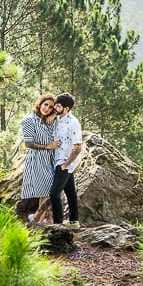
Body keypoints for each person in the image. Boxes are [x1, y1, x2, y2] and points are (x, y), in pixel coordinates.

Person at [19, 93, 60, 222]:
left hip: (51, 159)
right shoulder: (29, 120)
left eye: (50, 107)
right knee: (49, 190)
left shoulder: (50, 121)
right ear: (40, 104)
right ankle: (37, 219)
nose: (46, 108)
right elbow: (28, 143)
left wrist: (53, 117)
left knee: (46, 191)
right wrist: (47, 147)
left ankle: (39, 219)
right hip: (37, 158)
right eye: (45, 104)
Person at [49, 92, 83, 228]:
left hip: (64, 162)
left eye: (57, 106)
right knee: (70, 192)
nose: (54, 108)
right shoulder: (58, 119)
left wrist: (66, 164)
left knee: (54, 194)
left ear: (66, 109)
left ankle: (57, 226)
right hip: (58, 159)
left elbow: (78, 148)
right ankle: (74, 222)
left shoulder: (73, 123)